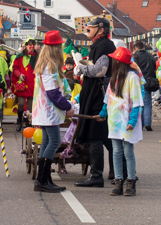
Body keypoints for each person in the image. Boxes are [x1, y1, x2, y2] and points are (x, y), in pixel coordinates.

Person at [74, 16, 116, 188]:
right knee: (106, 136)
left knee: (95, 135)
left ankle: (97, 175)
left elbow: (100, 70)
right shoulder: (100, 45)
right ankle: (116, 172)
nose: (87, 30)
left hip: (98, 96)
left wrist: (81, 68)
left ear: (100, 29)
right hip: (97, 93)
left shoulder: (104, 45)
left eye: (90, 28)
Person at [31, 30, 73, 193]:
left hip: (45, 110)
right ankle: (42, 180)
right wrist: (67, 106)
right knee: (54, 142)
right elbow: (53, 92)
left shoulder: (45, 63)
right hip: (49, 111)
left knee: (47, 142)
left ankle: (44, 178)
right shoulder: (51, 65)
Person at [98, 45, 143, 197]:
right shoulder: (114, 79)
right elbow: (108, 100)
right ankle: (118, 181)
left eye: (114, 60)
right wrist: (103, 113)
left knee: (128, 151)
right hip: (114, 121)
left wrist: (133, 120)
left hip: (127, 121)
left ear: (119, 62)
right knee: (116, 151)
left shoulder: (133, 78)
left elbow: (137, 102)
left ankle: (130, 182)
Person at [11, 39, 37, 132]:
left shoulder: (37, 57)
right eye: (29, 45)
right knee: (21, 104)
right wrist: (19, 75)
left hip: (32, 84)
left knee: (30, 106)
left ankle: (28, 123)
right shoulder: (19, 56)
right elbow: (15, 68)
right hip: (22, 84)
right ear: (26, 46)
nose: (31, 47)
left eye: (33, 45)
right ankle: (19, 122)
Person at [131, 40, 157, 131]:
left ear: (135, 48)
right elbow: (154, 67)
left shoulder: (135, 56)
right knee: (147, 102)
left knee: (138, 103)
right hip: (149, 81)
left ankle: (140, 124)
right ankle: (147, 122)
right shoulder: (150, 56)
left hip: (138, 81)